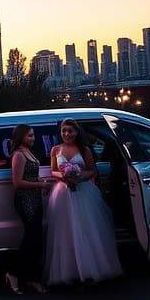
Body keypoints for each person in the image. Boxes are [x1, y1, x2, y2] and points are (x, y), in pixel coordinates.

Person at [44, 118, 123, 286]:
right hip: (63, 194)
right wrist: (64, 176)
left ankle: (89, 269)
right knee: (66, 232)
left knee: (86, 229)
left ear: (76, 132)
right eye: (64, 131)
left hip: (84, 193)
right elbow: (53, 171)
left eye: (70, 131)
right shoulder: (55, 149)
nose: (67, 134)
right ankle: (70, 270)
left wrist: (79, 178)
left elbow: (92, 171)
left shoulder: (84, 149)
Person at [4, 124, 51, 295]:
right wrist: (40, 184)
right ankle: (14, 274)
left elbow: (29, 175)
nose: (33, 138)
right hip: (25, 201)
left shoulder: (28, 152)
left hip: (34, 198)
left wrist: (42, 181)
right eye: (29, 136)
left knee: (36, 239)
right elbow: (17, 183)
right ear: (21, 137)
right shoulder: (18, 155)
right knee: (30, 240)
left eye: (33, 135)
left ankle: (32, 279)